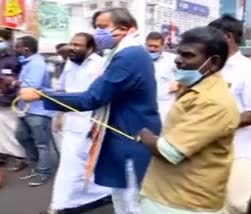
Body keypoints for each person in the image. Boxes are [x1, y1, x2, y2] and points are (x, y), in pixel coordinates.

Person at [19, 8, 161, 214]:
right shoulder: (124, 53)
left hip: (129, 137)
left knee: (131, 203)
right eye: (95, 28)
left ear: (123, 29)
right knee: (121, 197)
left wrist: (42, 95)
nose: (97, 33)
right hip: (116, 133)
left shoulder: (130, 55)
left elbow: (92, 97)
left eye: (102, 27)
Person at [138, 26, 240, 214]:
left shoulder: (212, 101)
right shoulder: (193, 88)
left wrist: (144, 135)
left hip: (184, 203)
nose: (178, 60)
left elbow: (170, 151)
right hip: (168, 195)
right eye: (179, 53)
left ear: (214, 63)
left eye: (188, 55)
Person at [209, 15, 251, 214]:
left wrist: (221, 124)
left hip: (239, 152)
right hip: (209, 150)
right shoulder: (211, 67)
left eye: (212, 36)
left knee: (238, 205)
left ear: (228, 37)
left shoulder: (249, 70)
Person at [48, 33, 111, 213]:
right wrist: (60, 115)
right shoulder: (69, 63)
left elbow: (100, 97)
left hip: (90, 122)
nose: (72, 48)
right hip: (70, 122)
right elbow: (64, 90)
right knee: (74, 164)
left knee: (73, 165)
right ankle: (88, 197)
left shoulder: (100, 65)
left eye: (78, 45)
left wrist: (97, 123)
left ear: (90, 49)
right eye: (71, 44)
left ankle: (61, 205)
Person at [15, 36, 54, 187]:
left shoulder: (37, 64)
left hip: (38, 110)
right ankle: (37, 165)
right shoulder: (27, 63)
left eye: (17, 47)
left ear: (26, 48)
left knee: (42, 144)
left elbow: (31, 86)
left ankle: (43, 172)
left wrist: (14, 84)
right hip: (25, 108)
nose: (15, 49)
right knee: (21, 136)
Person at [0, 37, 24, 187]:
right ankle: (4, 153)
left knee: (14, 130)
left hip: (10, 101)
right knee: (2, 130)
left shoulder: (13, 60)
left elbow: (16, 81)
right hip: (1, 101)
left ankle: (20, 156)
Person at [145, 32, 177, 123]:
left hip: (165, 106)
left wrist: (179, 82)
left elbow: (186, 74)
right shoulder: (140, 59)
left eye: (156, 46)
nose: (152, 49)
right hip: (144, 105)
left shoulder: (172, 60)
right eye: (149, 46)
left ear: (163, 46)